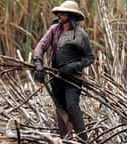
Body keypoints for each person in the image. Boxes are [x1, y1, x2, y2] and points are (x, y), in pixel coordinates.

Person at [32, 0, 95, 142]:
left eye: (62, 13)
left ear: (70, 15)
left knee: (72, 105)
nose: (59, 15)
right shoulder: (54, 30)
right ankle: (66, 140)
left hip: (73, 79)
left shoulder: (80, 35)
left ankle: (84, 139)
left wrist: (74, 66)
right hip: (56, 77)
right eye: (59, 13)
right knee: (60, 108)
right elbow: (40, 47)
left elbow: (90, 58)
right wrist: (39, 65)